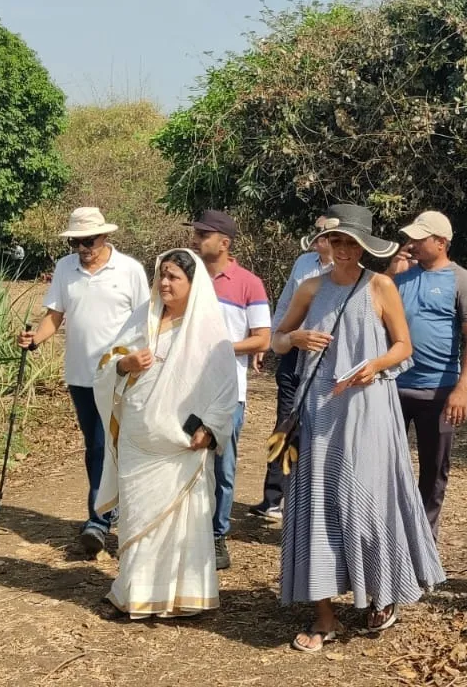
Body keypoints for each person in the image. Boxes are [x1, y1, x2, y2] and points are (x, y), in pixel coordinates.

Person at [270, 203, 445, 653]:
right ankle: (324, 615)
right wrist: (296, 339)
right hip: (321, 410)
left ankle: (381, 594)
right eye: (338, 241)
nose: (345, 250)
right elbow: (276, 338)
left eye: (353, 242)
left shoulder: (381, 285)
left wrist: (376, 366)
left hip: (369, 406)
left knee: (369, 499)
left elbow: (404, 346)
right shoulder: (310, 288)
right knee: (319, 504)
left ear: (366, 246)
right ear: (327, 244)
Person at [93, 249, 238, 619]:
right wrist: (126, 363)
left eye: (174, 276)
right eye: (162, 275)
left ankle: (183, 597)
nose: (165, 283)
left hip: (182, 445)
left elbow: (224, 388)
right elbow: (108, 361)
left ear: (193, 283)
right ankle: (136, 594)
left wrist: (210, 427)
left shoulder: (207, 327)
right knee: (138, 518)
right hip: (138, 438)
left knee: (181, 523)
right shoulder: (143, 316)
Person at [17, 207, 150, 559]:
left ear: (105, 237)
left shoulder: (130, 270)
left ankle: (100, 520)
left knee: (112, 444)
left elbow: (147, 322)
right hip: (80, 375)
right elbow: (54, 316)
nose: (82, 248)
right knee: (95, 447)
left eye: (88, 240)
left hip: (120, 374)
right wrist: (36, 340)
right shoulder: (65, 269)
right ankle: (107, 510)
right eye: (76, 242)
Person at [388, 211, 467, 539]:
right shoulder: (399, 276)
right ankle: (391, 533)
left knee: (434, 469)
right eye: (411, 238)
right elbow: (371, 315)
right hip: (393, 388)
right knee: (387, 464)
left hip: (439, 392)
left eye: (419, 238)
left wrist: (463, 389)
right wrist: (390, 274)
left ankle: (424, 539)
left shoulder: (461, 280)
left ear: (441, 242)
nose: (411, 244)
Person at [186, 209, 271, 570]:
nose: (195, 239)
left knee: (223, 466)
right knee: (185, 459)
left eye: (203, 234)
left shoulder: (249, 283)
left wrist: (221, 348)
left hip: (227, 392)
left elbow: (262, 339)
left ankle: (217, 536)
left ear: (224, 242)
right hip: (185, 389)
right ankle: (184, 534)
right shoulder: (184, 276)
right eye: (195, 233)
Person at [250, 213, 336, 522]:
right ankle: (274, 498)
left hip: (326, 361)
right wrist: (273, 340)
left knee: (320, 429)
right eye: (318, 234)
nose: (318, 239)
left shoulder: (349, 273)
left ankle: (311, 500)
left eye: (324, 234)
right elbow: (286, 303)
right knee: (285, 424)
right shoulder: (304, 263)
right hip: (291, 355)